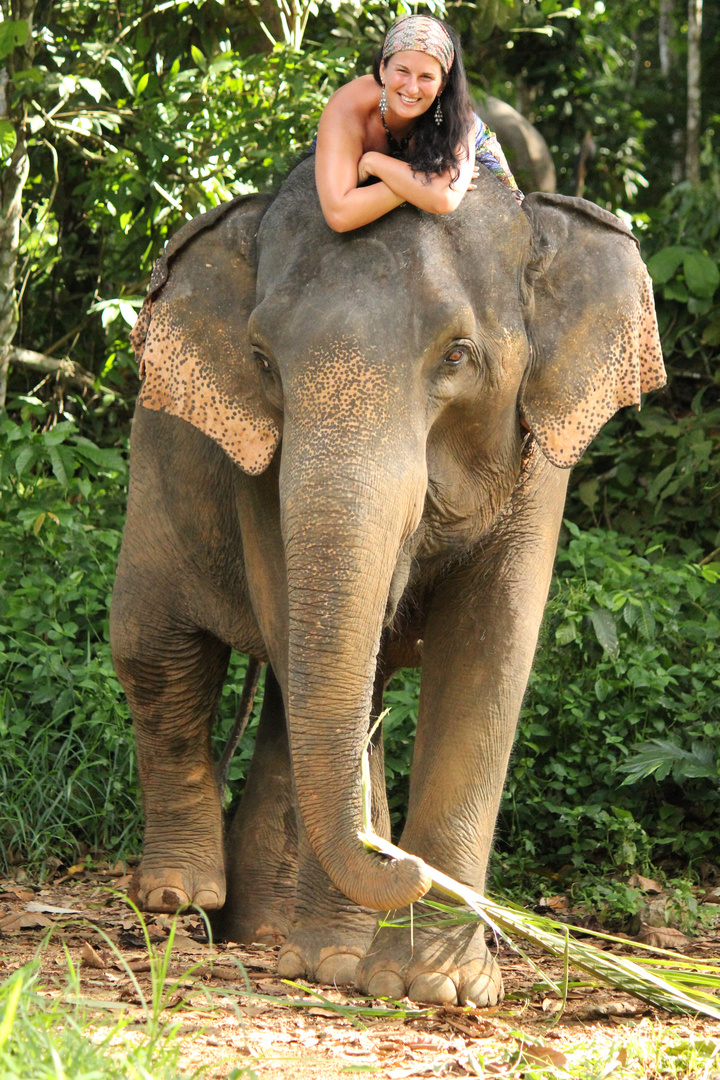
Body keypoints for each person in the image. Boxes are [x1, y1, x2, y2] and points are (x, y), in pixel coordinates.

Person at [314, 14, 521, 234]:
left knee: (518, 226)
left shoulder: (459, 118)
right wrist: (420, 185)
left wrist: (373, 163)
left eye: (426, 77)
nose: (412, 88)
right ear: (383, 70)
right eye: (402, 71)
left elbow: (444, 198)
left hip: (472, 145)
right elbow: (339, 214)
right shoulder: (348, 107)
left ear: (443, 84)